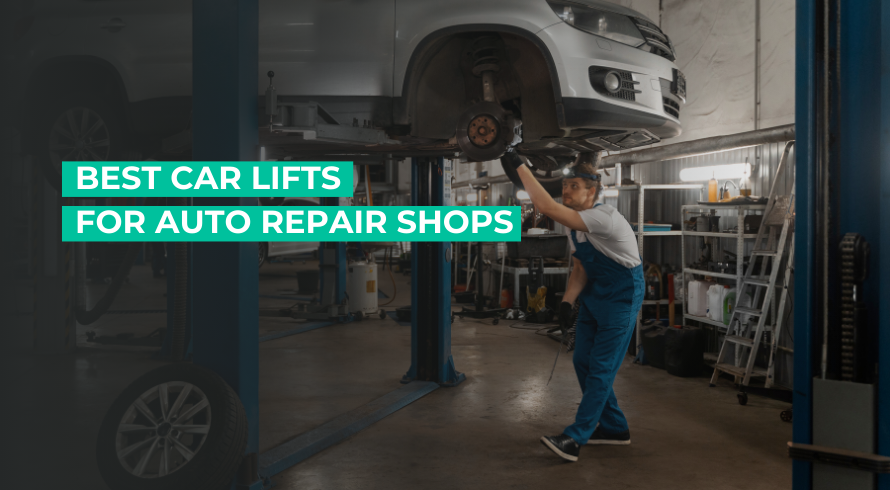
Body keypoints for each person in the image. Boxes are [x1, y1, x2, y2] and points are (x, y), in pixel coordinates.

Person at [503, 151, 644, 462]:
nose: (566, 191)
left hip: (622, 295)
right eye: (564, 185)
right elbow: (581, 267)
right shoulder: (574, 226)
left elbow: (545, 206)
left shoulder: (602, 217)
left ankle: (576, 437)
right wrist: (567, 302)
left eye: (574, 186)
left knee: (601, 369)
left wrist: (518, 166)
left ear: (591, 190)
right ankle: (615, 429)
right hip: (595, 294)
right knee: (583, 361)